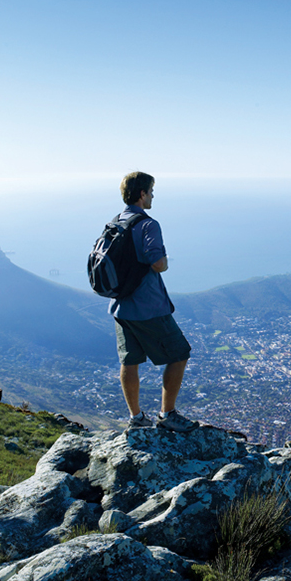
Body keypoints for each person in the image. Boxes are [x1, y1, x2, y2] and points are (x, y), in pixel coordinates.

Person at [109, 171, 194, 431]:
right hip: (147, 306)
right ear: (142, 194)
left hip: (121, 306)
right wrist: (164, 262)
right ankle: (167, 414)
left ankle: (136, 418)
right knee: (179, 354)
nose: (153, 196)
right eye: (151, 191)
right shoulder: (148, 224)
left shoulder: (114, 223)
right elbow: (158, 263)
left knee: (129, 360)